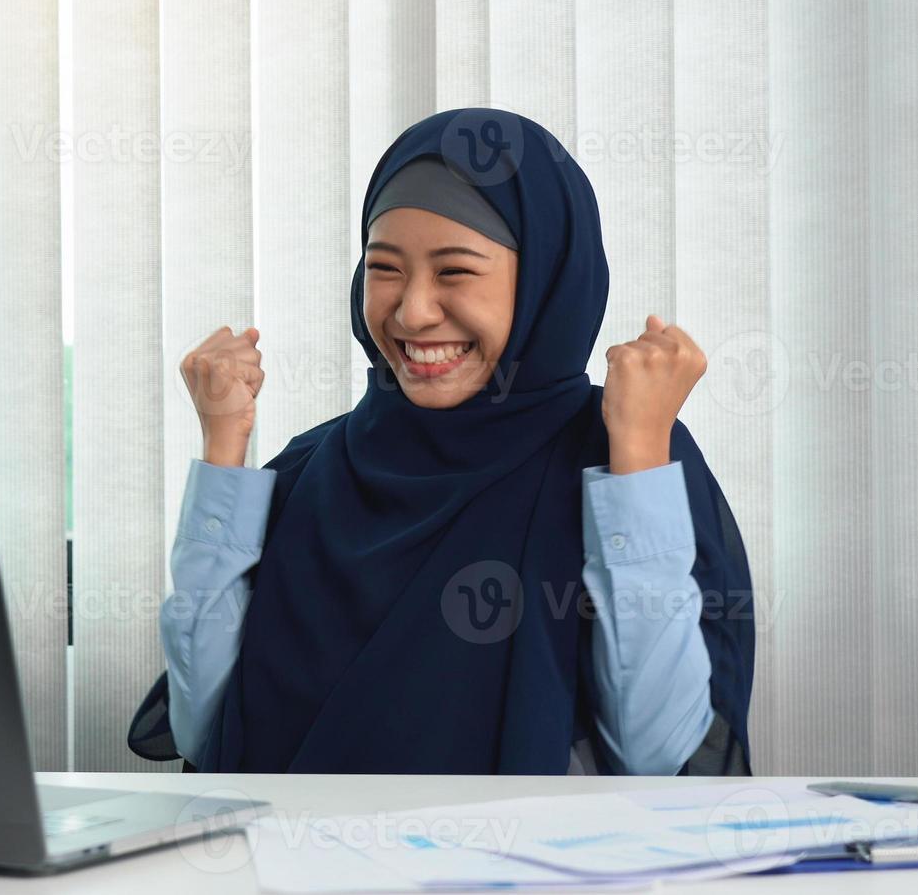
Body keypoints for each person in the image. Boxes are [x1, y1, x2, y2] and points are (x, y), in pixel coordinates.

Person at [135, 109, 755, 775]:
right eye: (386, 269)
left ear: (547, 278)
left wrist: (634, 454)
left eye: (455, 272)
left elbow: (658, 759)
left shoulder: (628, 461)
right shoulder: (311, 470)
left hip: (515, 873)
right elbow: (206, 735)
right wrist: (223, 449)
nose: (412, 311)